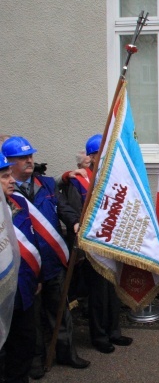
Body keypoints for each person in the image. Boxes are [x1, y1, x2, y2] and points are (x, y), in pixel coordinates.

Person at [1, 136, 90, 374]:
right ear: (9, 162)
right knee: (32, 317)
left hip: (52, 261)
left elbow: (64, 208)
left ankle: (66, 352)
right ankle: (36, 360)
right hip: (26, 266)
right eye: (23, 158)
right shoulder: (6, 192)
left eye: (31, 155)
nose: (30, 161)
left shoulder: (47, 184)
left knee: (60, 309)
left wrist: (74, 222)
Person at [61, 134, 133, 354]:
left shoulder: (111, 178)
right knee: (98, 293)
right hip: (94, 245)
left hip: (112, 243)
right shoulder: (79, 181)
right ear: (92, 156)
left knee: (112, 290)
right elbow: (76, 215)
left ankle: (114, 331)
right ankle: (99, 335)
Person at [0, 153, 41, 383]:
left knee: (24, 344)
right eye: (5, 177)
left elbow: (33, 240)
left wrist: (38, 276)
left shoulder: (17, 203)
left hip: (23, 289)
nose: (11, 180)